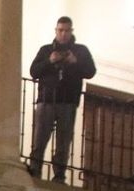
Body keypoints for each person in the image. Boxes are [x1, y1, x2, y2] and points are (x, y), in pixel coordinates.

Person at [27, 16, 96, 181]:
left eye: (66, 30)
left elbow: (91, 72)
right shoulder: (45, 50)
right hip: (46, 101)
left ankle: (59, 175)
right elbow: (33, 72)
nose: (63, 34)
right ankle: (35, 170)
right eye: (60, 30)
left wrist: (75, 62)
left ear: (71, 31)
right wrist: (50, 61)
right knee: (40, 138)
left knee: (63, 142)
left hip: (68, 102)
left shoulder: (81, 51)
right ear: (56, 31)